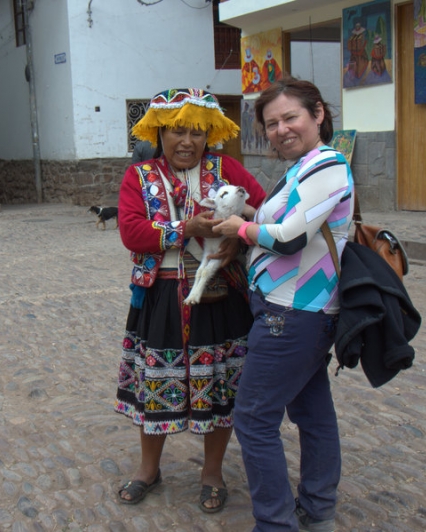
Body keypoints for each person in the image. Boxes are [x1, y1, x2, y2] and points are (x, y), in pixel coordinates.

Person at [114, 88, 266, 513]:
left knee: (219, 384)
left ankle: (212, 472)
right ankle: (149, 469)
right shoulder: (139, 177)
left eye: (196, 132)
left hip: (221, 294)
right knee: (157, 383)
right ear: (159, 134)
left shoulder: (227, 169)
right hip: (161, 294)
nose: (187, 141)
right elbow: (131, 231)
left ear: (208, 135)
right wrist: (185, 229)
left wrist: (239, 239)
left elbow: (264, 210)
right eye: (177, 132)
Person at [214, 77, 355, 531]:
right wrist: (248, 215)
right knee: (312, 413)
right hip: (291, 311)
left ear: (318, 114)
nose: (281, 130)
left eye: (290, 117)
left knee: (254, 419)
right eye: (271, 123)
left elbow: (291, 237)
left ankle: (276, 524)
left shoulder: (327, 165)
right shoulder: (301, 167)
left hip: (293, 314)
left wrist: (239, 229)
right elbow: (282, 219)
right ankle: (316, 509)